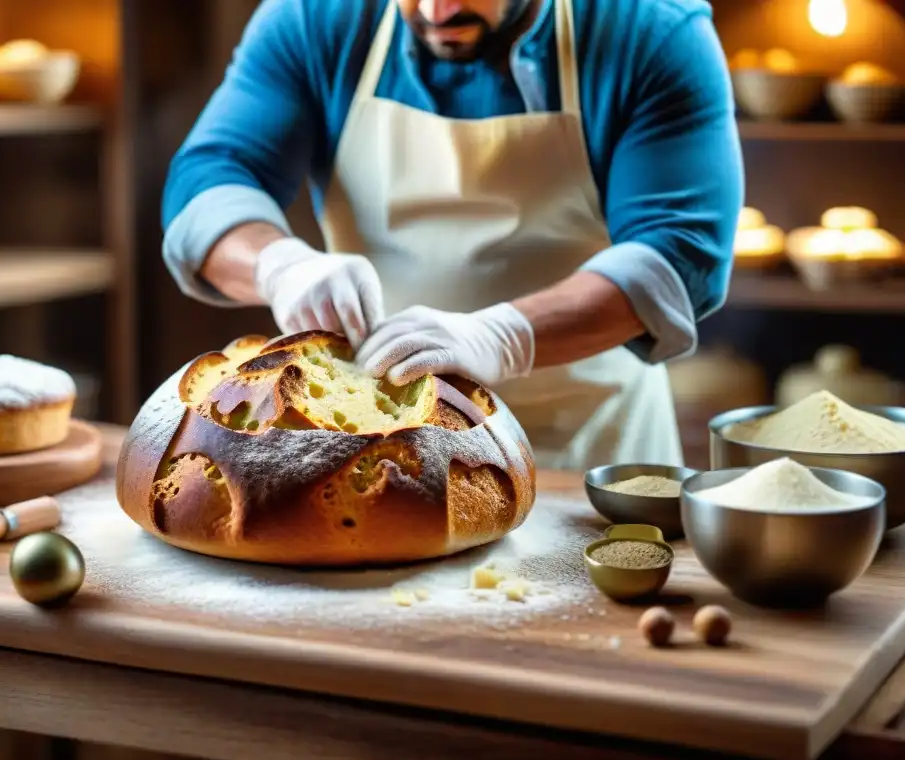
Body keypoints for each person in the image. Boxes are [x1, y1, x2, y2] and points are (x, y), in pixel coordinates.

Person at [161, 0, 744, 470]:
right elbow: (209, 180)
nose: (437, 10)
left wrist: (503, 336)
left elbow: (678, 252)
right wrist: (279, 266)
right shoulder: (315, 18)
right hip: (383, 452)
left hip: (592, 451)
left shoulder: (651, 32)